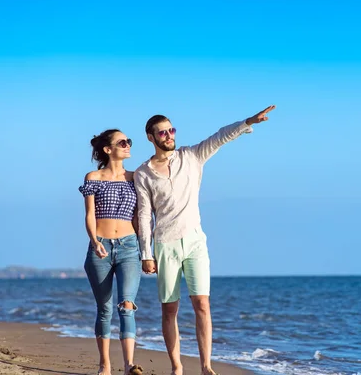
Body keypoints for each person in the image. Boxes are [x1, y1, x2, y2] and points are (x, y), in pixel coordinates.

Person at [134, 105, 276, 375]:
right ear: (151, 137)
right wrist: (146, 253)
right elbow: (144, 215)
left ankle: (206, 366)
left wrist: (248, 121)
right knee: (170, 309)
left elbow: (220, 136)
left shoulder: (191, 156)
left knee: (202, 304)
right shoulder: (143, 173)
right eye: (162, 132)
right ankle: (177, 367)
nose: (168, 135)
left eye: (171, 129)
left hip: (195, 241)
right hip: (165, 244)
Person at [79, 129, 144, 375]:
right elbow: (89, 214)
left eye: (129, 142)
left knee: (127, 305)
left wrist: (147, 251)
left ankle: (129, 365)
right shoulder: (93, 176)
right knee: (105, 308)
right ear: (108, 149)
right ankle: (105, 364)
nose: (128, 145)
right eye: (123, 142)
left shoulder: (136, 178)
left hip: (129, 247)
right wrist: (95, 241)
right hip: (101, 247)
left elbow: (140, 217)